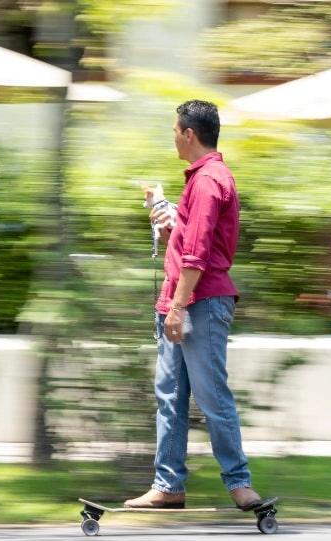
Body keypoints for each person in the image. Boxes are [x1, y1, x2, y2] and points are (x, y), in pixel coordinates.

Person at [124, 100, 263, 510]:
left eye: (174, 131)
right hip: (183, 299)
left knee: (211, 395)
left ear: (189, 134)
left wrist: (178, 307)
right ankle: (168, 485)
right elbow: (190, 243)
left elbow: (198, 256)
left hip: (198, 303)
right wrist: (170, 224)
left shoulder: (208, 181)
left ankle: (240, 483)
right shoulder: (201, 181)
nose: (173, 137)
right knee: (170, 395)